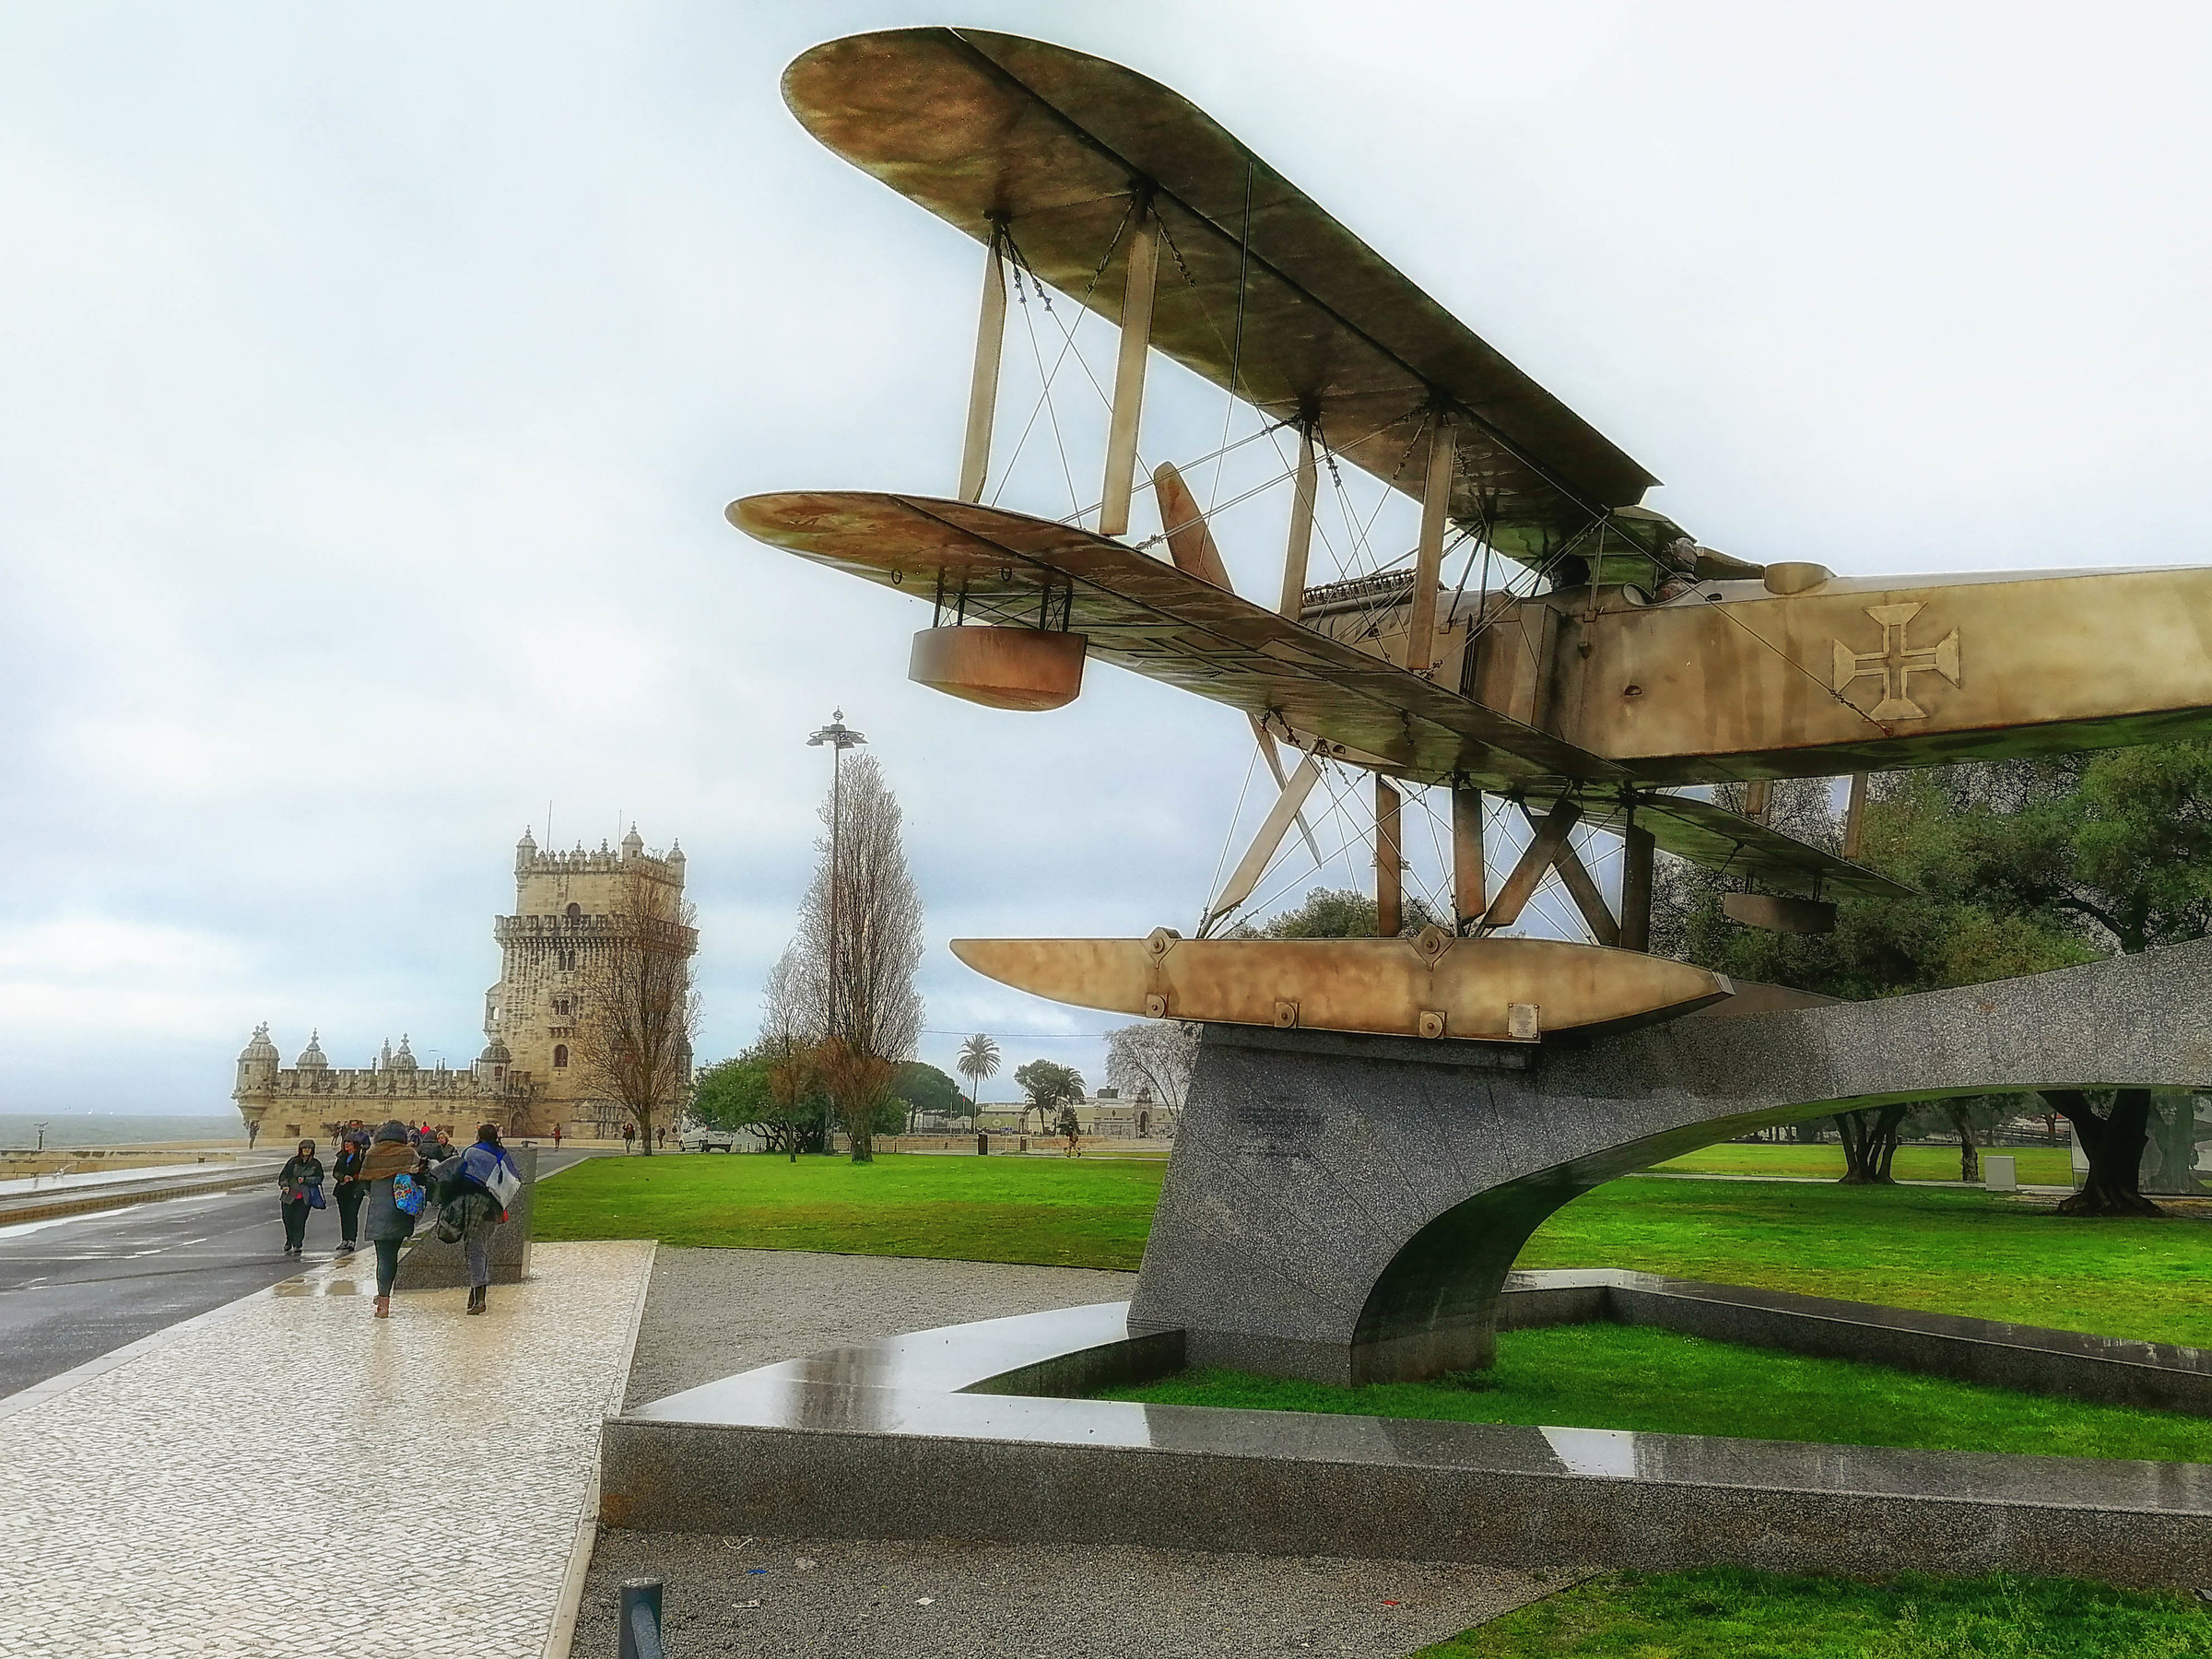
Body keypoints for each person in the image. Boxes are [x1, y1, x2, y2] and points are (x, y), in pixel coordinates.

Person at [447, 1123, 519, 1314]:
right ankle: (474, 1293)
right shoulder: (501, 1154)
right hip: (493, 1209)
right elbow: (512, 1180)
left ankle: (479, 1297)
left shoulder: (471, 1152)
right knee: (479, 1248)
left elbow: (460, 1176)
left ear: (479, 1135)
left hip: (474, 1207)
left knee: (475, 1251)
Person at [360, 1119, 427, 1319]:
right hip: (400, 1211)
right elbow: (420, 1179)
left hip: (378, 1212)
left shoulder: (372, 1154)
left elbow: (363, 1185)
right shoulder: (408, 1153)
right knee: (393, 1256)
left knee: (383, 1257)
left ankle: (383, 1301)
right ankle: (385, 1295)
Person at [276, 1140, 324, 1258]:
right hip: (290, 1193)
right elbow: (283, 1175)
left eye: (309, 1148)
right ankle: (289, 1240)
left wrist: (306, 1180)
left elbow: (319, 1178)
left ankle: (297, 1243)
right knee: (287, 1219)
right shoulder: (293, 1161)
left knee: (300, 1220)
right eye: (305, 1148)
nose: (307, 1150)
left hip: (305, 1195)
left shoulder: (315, 1163)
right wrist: (285, 1185)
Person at [331, 1132, 368, 1254]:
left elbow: (364, 1171)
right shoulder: (342, 1156)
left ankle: (352, 1239)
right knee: (344, 1215)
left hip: (355, 1189)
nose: (347, 1145)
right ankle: (345, 1239)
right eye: (345, 1142)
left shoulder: (361, 1156)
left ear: (355, 1144)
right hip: (342, 1189)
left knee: (352, 1214)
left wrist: (353, 1177)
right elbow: (335, 1171)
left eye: (349, 1143)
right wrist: (342, 1177)